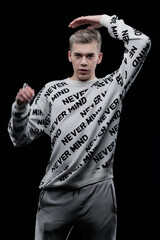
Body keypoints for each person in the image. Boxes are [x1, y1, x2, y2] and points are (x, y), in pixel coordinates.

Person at [8, 14, 151, 240]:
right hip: (55, 194)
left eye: (90, 56)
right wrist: (20, 108)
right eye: (78, 55)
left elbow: (141, 42)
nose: (84, 62)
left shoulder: (112, 87)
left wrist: (104, 20)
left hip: (99, 192)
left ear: (100, 57)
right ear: (69, 56)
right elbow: (19, 139)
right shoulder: (52, 91)